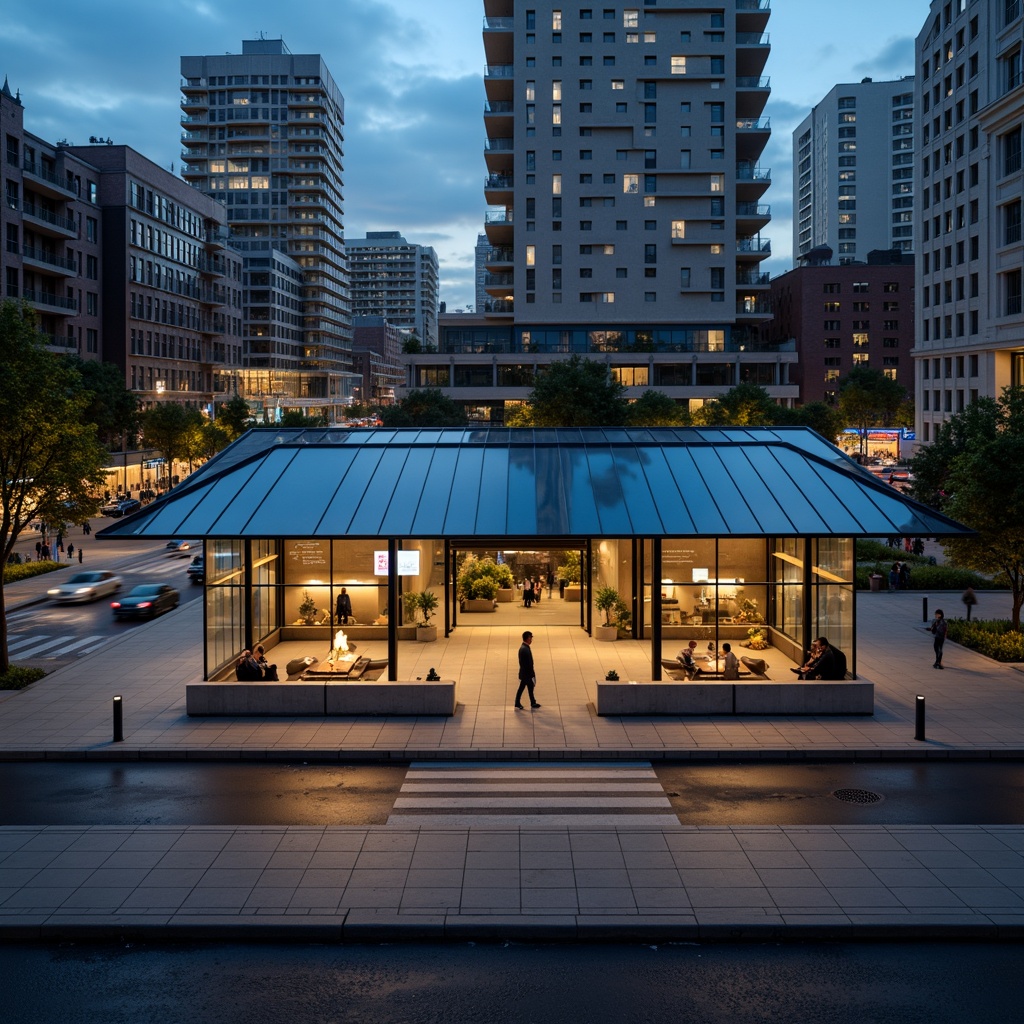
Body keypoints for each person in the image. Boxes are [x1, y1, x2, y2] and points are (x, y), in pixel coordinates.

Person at [514, 630, 541, 710]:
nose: (531, 640)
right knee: (522, 688)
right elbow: (528, 664)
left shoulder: (524, 648)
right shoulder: (525, 649)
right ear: (528, 638)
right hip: (526, 674)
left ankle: (532, 702)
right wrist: (531, 674)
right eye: (531, 638)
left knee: (530, 688)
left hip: (525, 673)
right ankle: (517, 702)